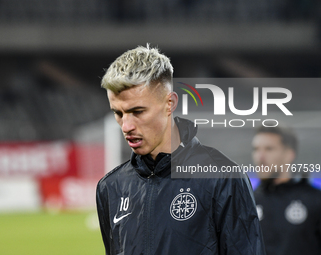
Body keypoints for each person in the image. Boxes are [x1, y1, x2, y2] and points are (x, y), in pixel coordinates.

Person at [96, 44, 265, 255]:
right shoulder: (110, 187)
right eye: (118, 113)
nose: (126, 126)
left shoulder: (223, 178)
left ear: (170, 103)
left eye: (137, 111)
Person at [252, 125, 321, 255]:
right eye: (256, 149)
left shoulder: (315, 201)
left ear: (289, 154)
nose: (260, 157)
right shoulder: (248, 203)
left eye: (269, 149)